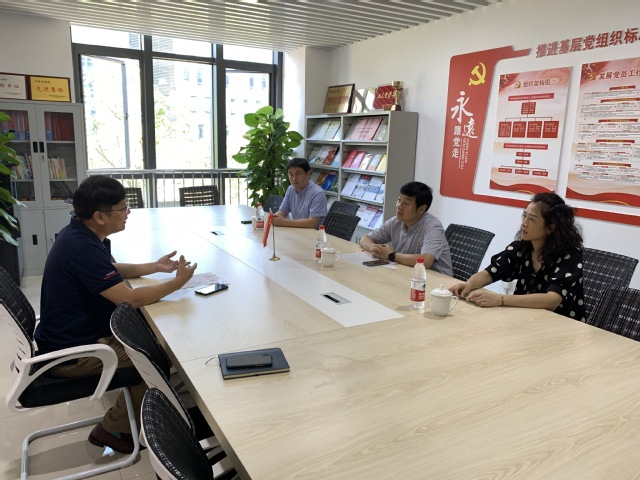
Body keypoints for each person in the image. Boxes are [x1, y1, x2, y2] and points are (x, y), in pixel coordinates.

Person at [34, 175, 197, 454]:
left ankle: (146, 404)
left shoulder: (80, 234)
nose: (128, 213)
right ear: (99, 216)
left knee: (150, 335)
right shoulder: (81, 248)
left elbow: (110, 269)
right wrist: (177, 283)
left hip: (70, 336)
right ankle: (112, 429)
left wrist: (154, 267)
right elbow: (130, 299)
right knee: (155, 354)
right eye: (123, 208)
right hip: (73, 353)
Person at [449, 192, 585, 321]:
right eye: (524, 216)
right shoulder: (521, 248)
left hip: (561, 324)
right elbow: (491, 272)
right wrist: (469, 284)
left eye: (531, 219)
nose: (524, 223)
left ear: (551, 227)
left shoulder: (570, 255)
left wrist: (501, 299)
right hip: (524, 318)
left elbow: (552, 300)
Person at [360, 181, 453, 275]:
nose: (399, 206)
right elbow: (365, 238)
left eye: (406, 203)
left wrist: (391, 255)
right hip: (408, 274)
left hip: (436, 280)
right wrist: (374, 248)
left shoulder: (433, 226)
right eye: (399, 200)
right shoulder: (395, 222)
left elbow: (426, 261)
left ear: (421, 209)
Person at [273, 158, 327, 229]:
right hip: (297, 231)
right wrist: (275, 217)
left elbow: (312, 223)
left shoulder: (318, 193)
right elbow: (282, 212)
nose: (294, 178)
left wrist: (283, 222)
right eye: (291, 174)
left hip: (313, 234)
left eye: (298, 174)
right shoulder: (291, 189)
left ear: (308, 174)